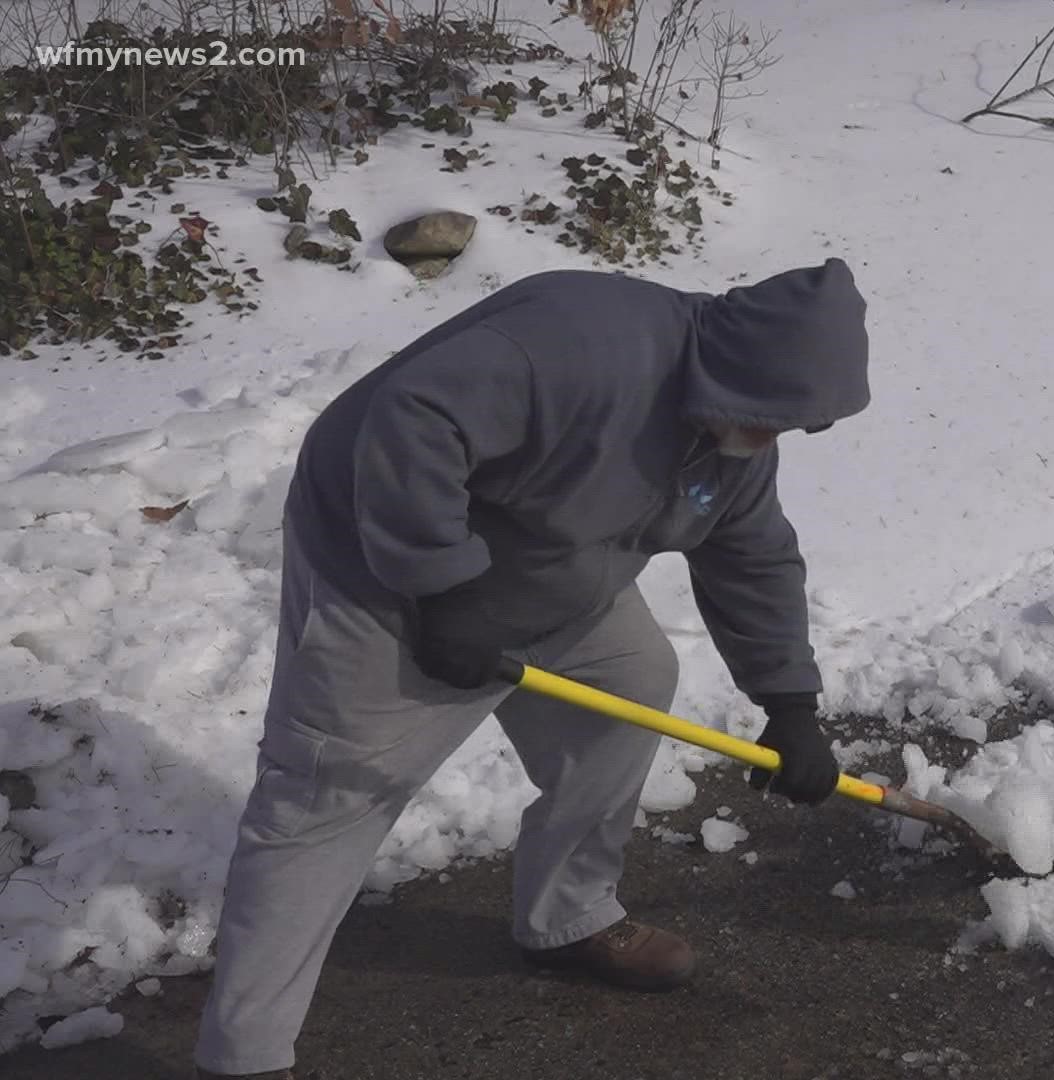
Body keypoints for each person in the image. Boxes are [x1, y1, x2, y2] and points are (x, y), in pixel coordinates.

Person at [192, 258, 872, 1079]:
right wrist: (441, 587)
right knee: (331, 794)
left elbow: (753, 556)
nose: (773, 438)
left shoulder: (730, 436)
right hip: (393, 571)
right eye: (769, 416)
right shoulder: (581, 343)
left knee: (627, 690)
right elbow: (415, 418)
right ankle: (246, 1057)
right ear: (735, 371)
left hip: (559, 575)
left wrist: (790, 699)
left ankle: (571, 914)